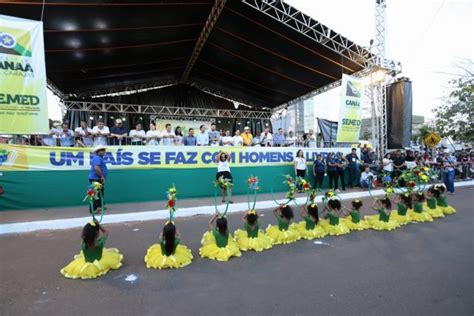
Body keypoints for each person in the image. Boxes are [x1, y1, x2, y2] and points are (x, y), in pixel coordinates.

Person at [88, 146, 107, 213]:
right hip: (95, 178)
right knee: (95, 194)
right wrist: (101, 176)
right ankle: (94, 209)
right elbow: (96, 168)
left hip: (98, 178)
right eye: (102, 150)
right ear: (98, 152)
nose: (104, 151)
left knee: (100, 193)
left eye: (104, 150)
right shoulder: (97, 158)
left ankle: (100, 206)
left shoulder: (99, 158)